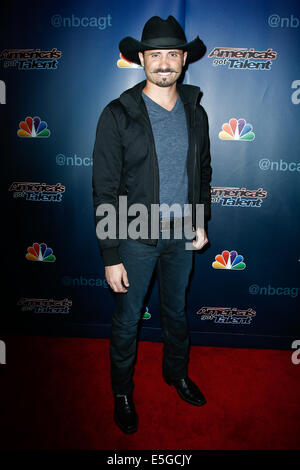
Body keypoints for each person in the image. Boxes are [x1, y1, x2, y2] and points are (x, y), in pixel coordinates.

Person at [92, 15, 212, 434]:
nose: (164, 63)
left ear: (184, 60)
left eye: (172, 54)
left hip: (182, 233)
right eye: (155, 54)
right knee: (128, 320)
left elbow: (203, 173)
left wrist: (199, 220)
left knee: (176, 312)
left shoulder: (196, 110)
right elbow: (104, 191)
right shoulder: (118, 113)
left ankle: (175, 373)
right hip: (135, 235)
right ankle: (122, 391)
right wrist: (111, 255)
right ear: (142, 59)